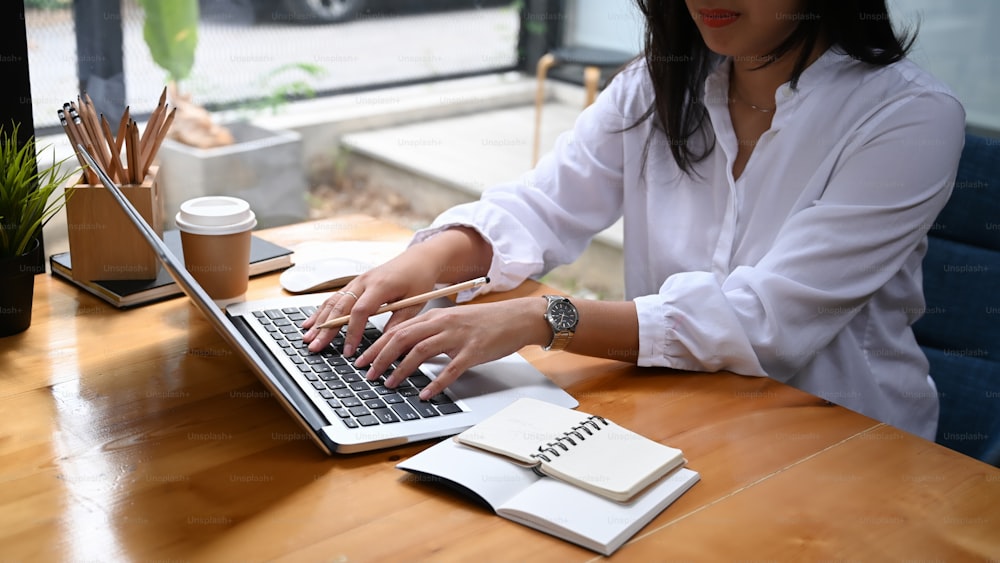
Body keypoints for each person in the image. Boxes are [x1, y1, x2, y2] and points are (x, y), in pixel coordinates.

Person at [302, 0, 965, 441]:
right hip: (674, 418)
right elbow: (541, 203)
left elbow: (763, 323)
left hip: (844, 446)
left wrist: (546, 318)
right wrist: (417, 264)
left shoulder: (909, 118)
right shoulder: (662, 84)